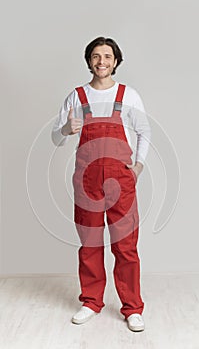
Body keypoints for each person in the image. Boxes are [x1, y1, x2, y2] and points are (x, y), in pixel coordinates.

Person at [51, 37, 151, 332]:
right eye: (96, 56)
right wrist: (67, 129)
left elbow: (145, 132)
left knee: (126, 247)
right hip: (87, 182)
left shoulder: (128, 95)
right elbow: (56, 138)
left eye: (107, 56)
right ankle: (91, 302)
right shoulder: (76, 96)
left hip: (121, 181)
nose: (102, 61)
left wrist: (138, 168)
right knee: (90, 244)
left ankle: (132, 308)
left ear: (116, 61)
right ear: (89, 61)